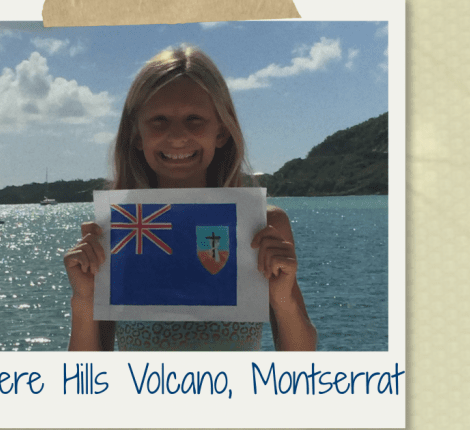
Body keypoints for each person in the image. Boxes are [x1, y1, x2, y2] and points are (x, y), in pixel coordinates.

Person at [63, 45, 317, 352]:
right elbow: (88, 379)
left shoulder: (263, 226)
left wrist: (283, 298)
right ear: (136, 136)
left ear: (221, 131)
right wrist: (83, 299)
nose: (178, 137)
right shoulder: (115, 234)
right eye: (159, 120)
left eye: (194, 119)